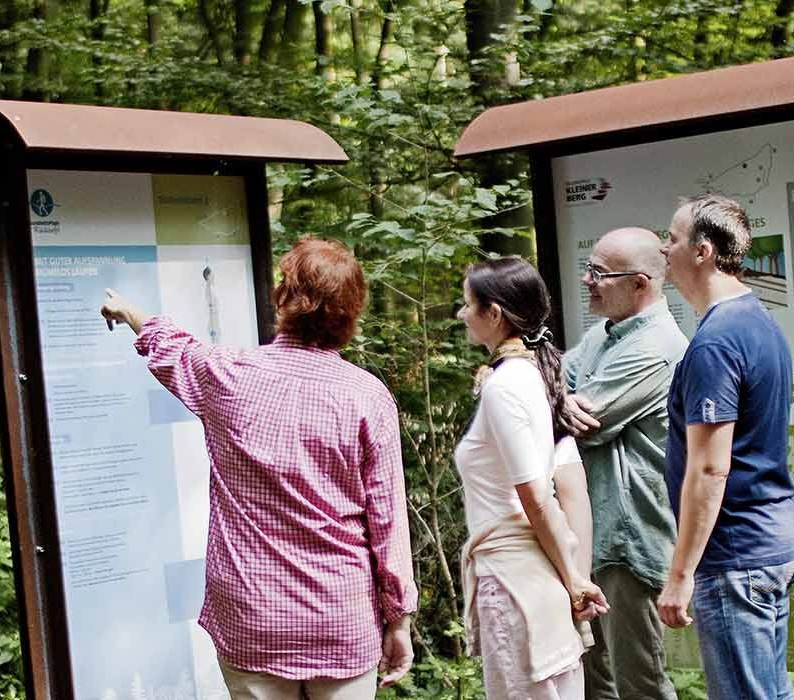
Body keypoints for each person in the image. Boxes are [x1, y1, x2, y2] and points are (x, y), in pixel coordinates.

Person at [99, 238, 415, 700]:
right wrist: (399, 619)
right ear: (351, 313)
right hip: (340, 618)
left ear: (283, 298)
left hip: (253, 616)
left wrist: (129, 312)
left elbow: (174, 348)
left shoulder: (228, 374)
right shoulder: (366, 396)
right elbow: (388, 523)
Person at [654, 195, 794, 700]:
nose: (663, 248)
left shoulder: (715, 343)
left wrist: (680, 575)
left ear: (702, 251)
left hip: (737, 554)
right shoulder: (756, 319)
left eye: (671, 239)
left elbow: (710, 469)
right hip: (769, 538)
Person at [453, 256, 610, 700]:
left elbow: (537, 496)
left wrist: (575, 581)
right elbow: (570, 489)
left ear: (494, 313)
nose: (462, 314)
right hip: (543, 577)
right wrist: (573, 577)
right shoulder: (536, 378)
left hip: (515, 579)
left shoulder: (506, 386)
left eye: (468, 304)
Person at [559, 228, 689, 700]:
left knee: (640, 683)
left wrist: (563, 404)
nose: (587, 280)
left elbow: (586, 420)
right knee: (595, 680)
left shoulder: (656, 347)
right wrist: (558, 397)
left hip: (629, 536)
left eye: (599, 273)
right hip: (594, 532)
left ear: (639, 283)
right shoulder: (605, 334)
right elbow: (552, 379)